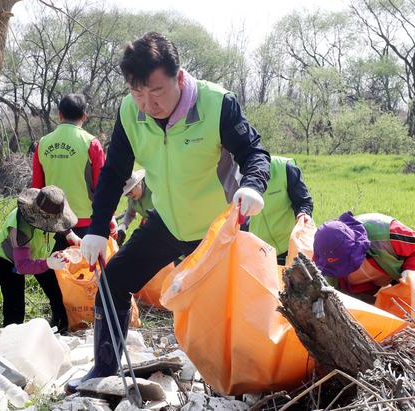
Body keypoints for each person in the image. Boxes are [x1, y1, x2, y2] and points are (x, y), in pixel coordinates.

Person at [67, 32, 271, 392]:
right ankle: (103, 370)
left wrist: (253, 185)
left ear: (179, 78)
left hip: (218, 227)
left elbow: (254, 153)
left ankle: (237, 380)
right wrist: (97, 229)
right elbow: (114, 172)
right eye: (137, 92)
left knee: (223, 308)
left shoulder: (216, 103)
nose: (147, 103)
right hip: (169, 222)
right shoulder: (131, 112)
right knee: (114, 280)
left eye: (156, 92)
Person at [0, 186, 78, 332]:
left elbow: (58, 218)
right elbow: (22, 266)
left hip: (40, 254)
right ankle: (12, 339)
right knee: (15, 306)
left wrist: (71, 235)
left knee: (58, 294)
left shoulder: (48, 207)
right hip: (9, 260)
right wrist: (48, 263)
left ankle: (60, 328)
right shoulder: (21, 229)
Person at [31, 93, 105, 250]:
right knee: (83, 272)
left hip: (53, 221)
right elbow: (102, 187)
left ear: (59, 115)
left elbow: (37, 187)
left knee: (57, 271)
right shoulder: (92, 143)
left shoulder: (42, 144)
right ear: (84, 116)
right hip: (85, 220)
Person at [313, 211, 415, 303]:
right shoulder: (323, 256)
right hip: (366, 291)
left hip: (410, 272)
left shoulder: (386, 233)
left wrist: (410, 274)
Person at [248, 156, 313, 265]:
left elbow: (303, 202)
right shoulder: (231, 177)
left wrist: (303, 214)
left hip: (293, 249)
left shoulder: (284, 167)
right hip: (260, 254)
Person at [116, 169, 153, 246]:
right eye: (126, 194)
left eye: (130, 192)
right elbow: (130, 213)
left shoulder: (153, 190)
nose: (129, 196)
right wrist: (123, 225)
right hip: (148, 226)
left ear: (139, 183)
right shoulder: (132, 198)